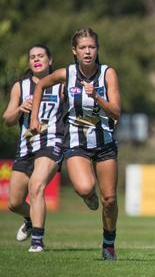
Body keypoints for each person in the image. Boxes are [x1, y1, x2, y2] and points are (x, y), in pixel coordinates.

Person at [29, 28, 121, 261]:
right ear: (74, 51)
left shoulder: (108, 74)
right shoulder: (66, 74)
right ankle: (88, 196)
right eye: (83, 47)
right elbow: (40, 85)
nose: (88, 52)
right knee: (84, 188)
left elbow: (117, 111)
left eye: (91, 47)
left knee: (109, 200)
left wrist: (98, 97)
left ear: (97, 49)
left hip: (105, 142)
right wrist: (34, 118)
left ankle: (108, 244)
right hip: (77, 142)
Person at [2, 45, 64, 252]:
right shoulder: (20, 86)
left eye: (40, 56)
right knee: (14, 202)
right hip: (26, 146)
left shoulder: (61, 85)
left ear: (50, 60)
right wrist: (20, 109)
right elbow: (7, 119)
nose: (36, 60)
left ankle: (37, 240)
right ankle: (29, 219)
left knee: (36, 186)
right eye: (32, 57)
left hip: (51, 142)